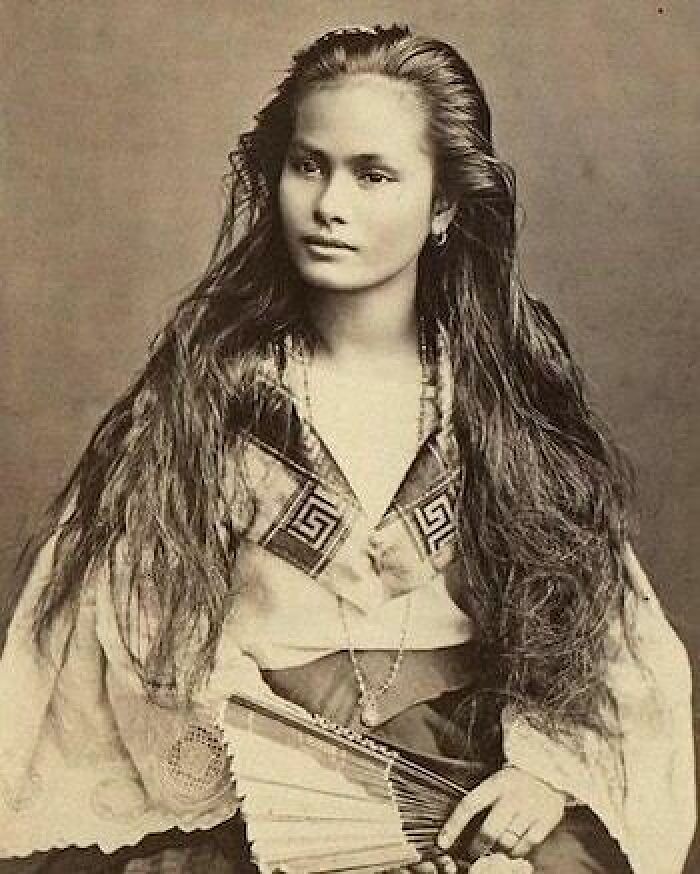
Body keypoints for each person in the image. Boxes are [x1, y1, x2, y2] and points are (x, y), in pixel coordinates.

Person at [0, 23, 694, 874]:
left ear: (443, 206)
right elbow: (127, 628)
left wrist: (544, 777)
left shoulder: (498, 408)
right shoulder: (209, 399)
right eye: (309, 165)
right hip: (252, 785)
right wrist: (285, 797)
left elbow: (602, 638)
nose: (330, 204)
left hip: (472, 786)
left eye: (373, 175)